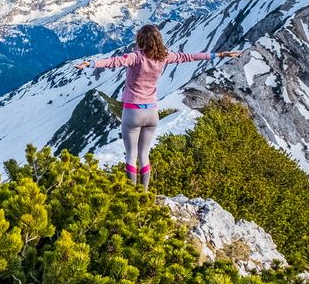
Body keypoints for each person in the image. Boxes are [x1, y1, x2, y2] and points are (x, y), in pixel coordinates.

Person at [74, 24, 241, 190]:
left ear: (140, 40)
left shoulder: (136, 57)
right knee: (144, 155)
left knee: (131, 156)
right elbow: (188, 57)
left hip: (133, 111)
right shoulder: (163, 56)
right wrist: (219, 54)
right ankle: (144, 194)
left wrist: (90, 63)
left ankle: (131, 195)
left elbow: (114, 62)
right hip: (152, 113)